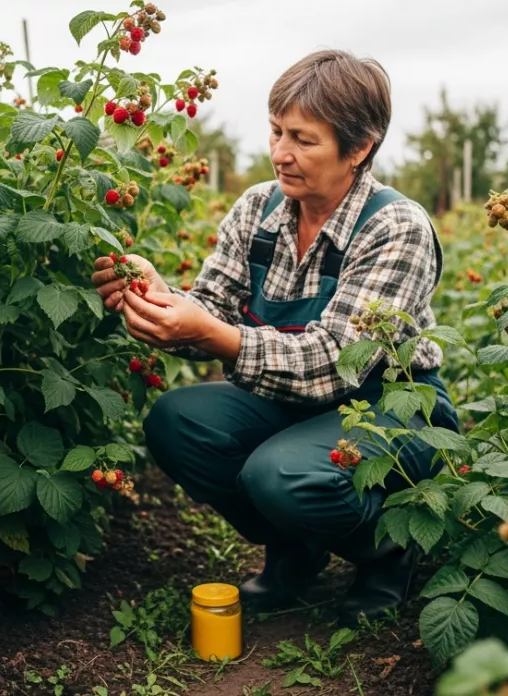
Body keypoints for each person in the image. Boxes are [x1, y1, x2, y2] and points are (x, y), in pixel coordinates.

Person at [89, 49, 460, 628]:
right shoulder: (258, 209)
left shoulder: (396, 226)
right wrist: (163, 301)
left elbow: (336, 363)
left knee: (281, 472)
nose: (281, 153)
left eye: (304, 140)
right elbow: (210, 308)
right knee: (177, 422)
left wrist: (214, 334)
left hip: (389, 405)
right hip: (290, 399)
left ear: (359, 148)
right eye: (276, 131)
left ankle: (387, 550)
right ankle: (300, 544)